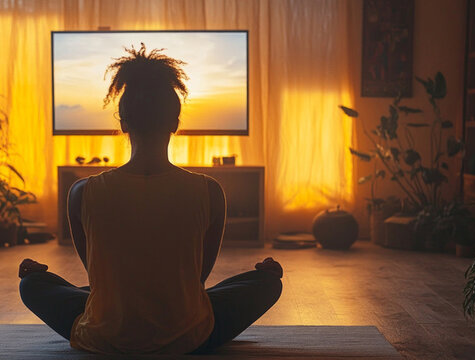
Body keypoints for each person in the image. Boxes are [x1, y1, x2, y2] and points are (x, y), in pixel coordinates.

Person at [19, 44, 282, 355]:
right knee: (267, 283)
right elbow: (197, 277)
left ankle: (113, 302)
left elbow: (95, 272)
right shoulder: (209, 192)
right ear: (175, 123)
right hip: (188, 336)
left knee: (33, 285)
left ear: (123, 123)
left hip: (105, 336)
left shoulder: (82, 192)